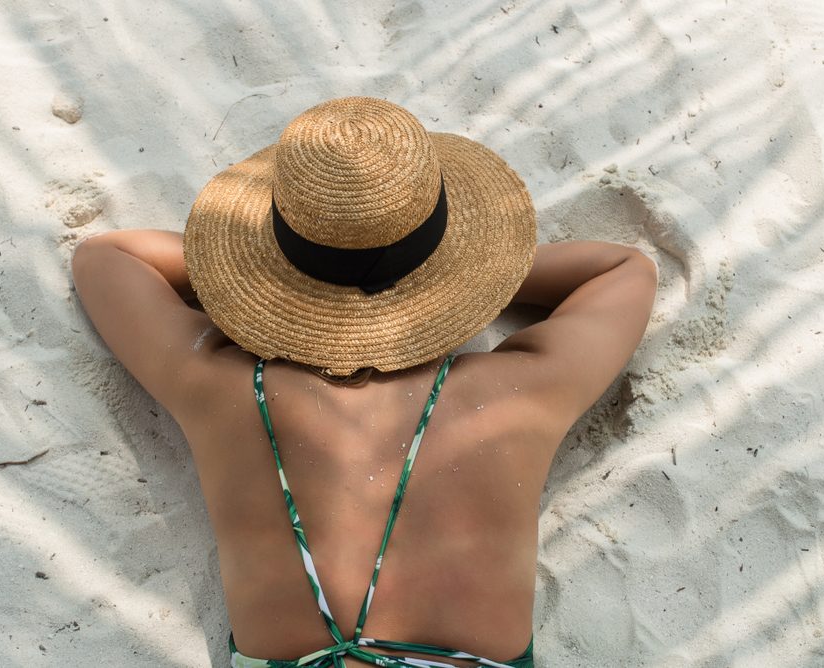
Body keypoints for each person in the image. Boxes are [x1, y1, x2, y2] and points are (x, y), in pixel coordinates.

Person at [71, 97, 658, 667]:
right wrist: (463, 266)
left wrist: (267, 277)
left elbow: (107, 257)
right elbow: (622, 270)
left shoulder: (226, 391)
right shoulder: (517, 395)